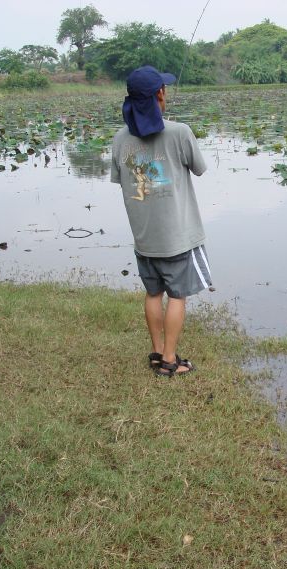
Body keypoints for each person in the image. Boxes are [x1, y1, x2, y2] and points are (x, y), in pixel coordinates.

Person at [111, 65, 211, 377]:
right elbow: (199, 168)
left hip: (144, 239)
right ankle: (170, 361)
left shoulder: (118, 139)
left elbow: (122, 179)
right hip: (177, 238)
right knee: (177, 297)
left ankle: (156, 353)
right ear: (159, 95)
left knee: (153, 294)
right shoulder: (180, 132)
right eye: (163, 90)